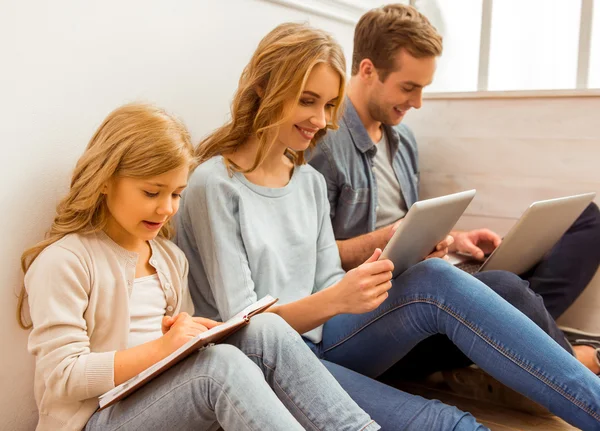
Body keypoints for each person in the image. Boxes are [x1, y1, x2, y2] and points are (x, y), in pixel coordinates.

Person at [175, 22, 600, 430]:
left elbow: (326, 278)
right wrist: (339, 296)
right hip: (268, 358)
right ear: (263, 89)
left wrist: (376, 274)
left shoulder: (308, 181)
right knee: (450, 423)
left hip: (329, 337)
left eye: (327, 105)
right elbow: (246, 326)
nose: (321, 120)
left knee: (435, 274)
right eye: (308, 101)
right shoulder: (214, 185)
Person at [18, 103, 379, 431]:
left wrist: (187, 336)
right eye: (151, 192)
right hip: (93, 420)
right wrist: (164, 348)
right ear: (106, 180)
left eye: (176, 193)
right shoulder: (65, 260)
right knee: (217, 368)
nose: (167, 209)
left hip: (156, 398)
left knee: (265, 328)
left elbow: (172, 354)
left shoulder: (169, 259)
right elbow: (62, 375)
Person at [307, 3, 600, 378]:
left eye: (423, 89)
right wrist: (387, 239)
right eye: (409, 87)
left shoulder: (402, 139)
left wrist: (456, 239)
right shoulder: (323, 145)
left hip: (427, 278)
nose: (417, 102)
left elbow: (412, 226)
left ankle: (509, 345)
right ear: (367, 70)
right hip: (383, 311)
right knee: (506, 289)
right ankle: (566, 362)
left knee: (585, 222)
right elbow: (313, 260)